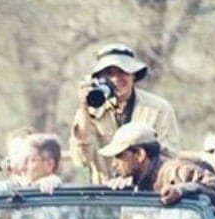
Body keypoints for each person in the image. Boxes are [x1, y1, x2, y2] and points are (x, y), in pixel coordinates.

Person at [70, 43, 180, 184]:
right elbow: (81, 160)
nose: (116, 79)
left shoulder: (159, 109)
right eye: (109, 74)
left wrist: (135, 179)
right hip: (103, 195)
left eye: (123, 72)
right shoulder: (90, 112)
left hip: (146, 194)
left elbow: (168, 157)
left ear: (133, 75)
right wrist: (84, 107)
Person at [99, 122, 215, 207]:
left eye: (119, 156)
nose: (114, 164)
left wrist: (181, 190)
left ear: (140, 154)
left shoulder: (175, 171)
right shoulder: (137, 183)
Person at [0, 131, 64, 213]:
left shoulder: (57, 190)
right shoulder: (2, 191)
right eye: (14, 155)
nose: (20, 164)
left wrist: (53, 185)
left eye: (29, 158)